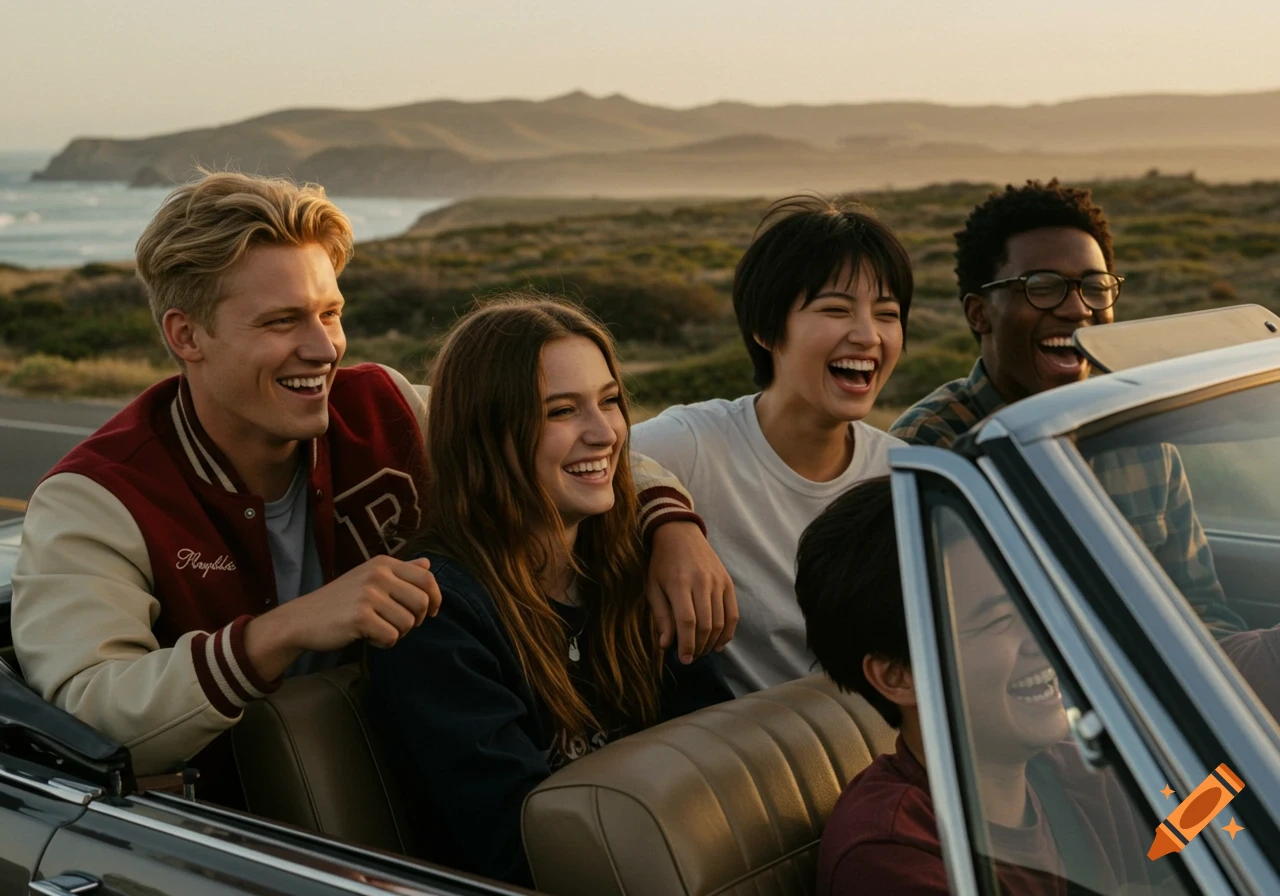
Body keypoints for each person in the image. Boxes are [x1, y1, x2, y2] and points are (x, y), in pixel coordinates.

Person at [10, 172, 731, 801]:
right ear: (186, 335)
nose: (324, 348)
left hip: (433, 787)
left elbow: (541, 446)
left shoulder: (382, 404)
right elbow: (88, 712)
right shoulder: (95, 498)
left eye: (330, 313)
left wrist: (669, 528)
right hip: (233, 838)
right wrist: (282, 631)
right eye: (282, 321)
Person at [363, 297, 732, 886]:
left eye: (610, 401)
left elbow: (719, 753)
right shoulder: (438, 612)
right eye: (561, 411)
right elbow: (525, 845)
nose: (603, 433)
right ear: (485, 433)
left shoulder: (640, 572)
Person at [889, 179, 1243, 636]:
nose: (1078, 309)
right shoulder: (929, 451)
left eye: (1095, 288)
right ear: (978, 313)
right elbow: (932, 645)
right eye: (1042, 286)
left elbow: (1200, 611)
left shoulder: (1139, 432)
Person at [796, 478, 1162, 895]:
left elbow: (1200, 822)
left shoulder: (1073, 772)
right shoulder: (893, 855)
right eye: (1000, 619)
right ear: (899, 676)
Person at [631, 195, 911, 695]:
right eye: (835, 309)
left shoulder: (904, 476)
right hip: (753, 763)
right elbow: (597, 460)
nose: (868, 335)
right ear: (766, 329)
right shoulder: (700, 446)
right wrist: (670, 521)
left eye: (887, 314)